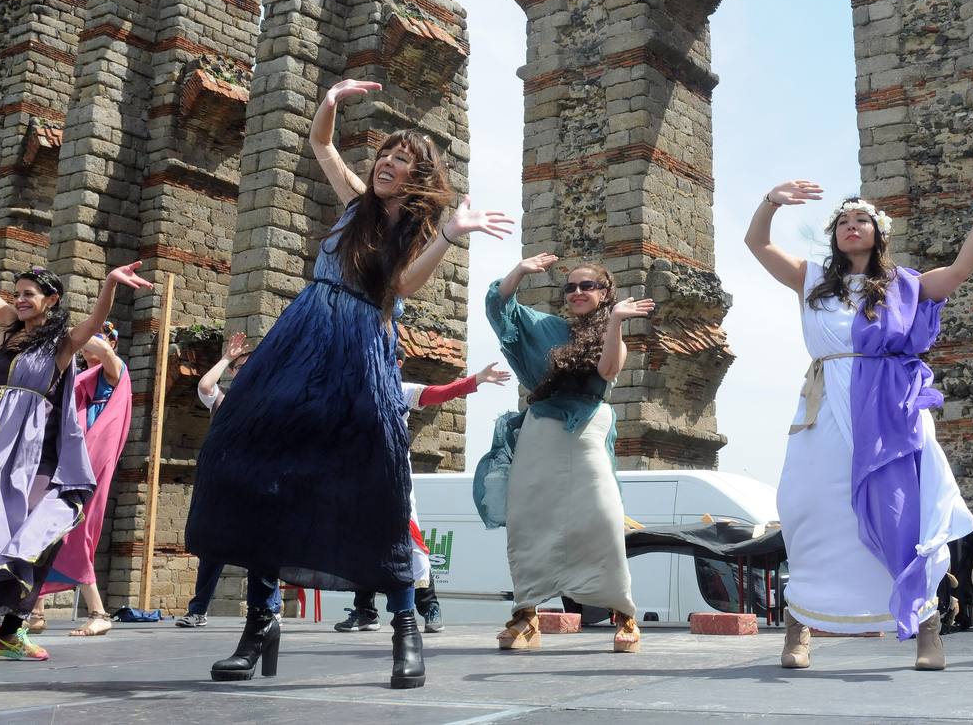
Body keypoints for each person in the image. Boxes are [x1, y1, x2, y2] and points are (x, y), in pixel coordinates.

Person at [184, 77, 512, 688]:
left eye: (403, 159)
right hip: (304, 336)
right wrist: (330, 102)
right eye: (386, 153)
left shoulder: (412, 229)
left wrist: (450, 233)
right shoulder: (356, 201)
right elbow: (322, 145)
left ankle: (405, 625)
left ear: (417, 178)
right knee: (257, 469)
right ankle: (260, 623)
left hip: (359, 347)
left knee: (376, 486)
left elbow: (402, 287)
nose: (388, 162)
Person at [745, 181, 973, 671]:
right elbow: (758, 244)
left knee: (902, 514)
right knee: (810, 512)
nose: (851, 226)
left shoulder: (905, 284)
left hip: (890, 409)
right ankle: (800, 626)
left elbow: (960, 271)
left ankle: (927, 627)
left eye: (861, 220)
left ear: (878, 232)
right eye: (843, 222)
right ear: (834, 235)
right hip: (825, 406)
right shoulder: (811, 278)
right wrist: (771, 201)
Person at [0, 233, 149, 661]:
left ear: (51, 300)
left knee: (35, 532)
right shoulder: (9, 326)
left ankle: (10, 631)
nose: (20, 300)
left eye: (29, 294)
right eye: (17, 294)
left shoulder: (63, 343)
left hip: (36, 454)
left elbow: (95, 321)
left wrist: (110, 282)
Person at [477, 254, 655, 653]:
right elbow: (498, 306)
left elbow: (608, 371)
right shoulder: (548, 328)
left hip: (588, 426)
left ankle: (624, 614)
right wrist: (519, 270)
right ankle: (526, 615)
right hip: (541, 426)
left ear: (605, 293)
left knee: (602, 517)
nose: (577, 292)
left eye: (587, 286)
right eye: (570, 286)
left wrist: (616, 321)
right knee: (526, 519)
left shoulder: (613, 329)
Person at [335, 361, 512, 634]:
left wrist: (476, 379)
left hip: (394, 478)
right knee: (363, 542)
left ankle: (429, 606)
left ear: (396, 363)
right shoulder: (356, 394)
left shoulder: (401, 390)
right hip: (363, 479)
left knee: (411, 541)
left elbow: (439, 393)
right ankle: (365, 611)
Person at [28, 322, 133, 637]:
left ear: (111, 343)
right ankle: (35, 611)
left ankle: (99, 613)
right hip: (66, 464)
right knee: (43, 528)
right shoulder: (75, 379)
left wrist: (66, 331)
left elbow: (101, 349)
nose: (88, 348)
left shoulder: (114, 371)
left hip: (89, 469)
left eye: (96, 340)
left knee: (76, 531)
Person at [173, 332, 277, 628]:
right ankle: (198, 610)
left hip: (256, 485)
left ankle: (270, 608)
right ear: (232, 372)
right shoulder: (223, 399)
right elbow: (205, 385)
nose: (246, 372)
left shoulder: (269, 402)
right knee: (212, 548)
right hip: (223, 485)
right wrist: (227, 358)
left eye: (251, 367)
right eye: (240, 368)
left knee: (263, 547)